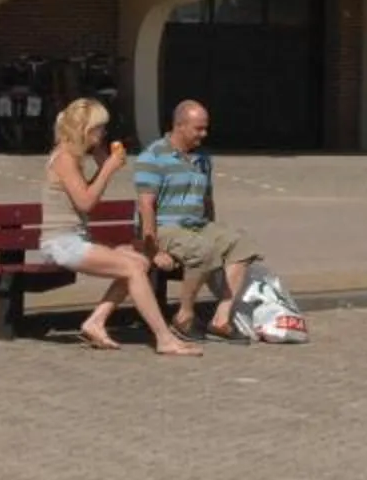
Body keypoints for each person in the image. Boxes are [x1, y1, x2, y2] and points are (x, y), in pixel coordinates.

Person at [43, 97, 197, 357]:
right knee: (132, 269)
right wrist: (108, 169)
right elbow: (86, 202)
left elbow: (83, 196)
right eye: (100, 128)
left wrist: (103, 163)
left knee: (138, 260)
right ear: (86, 130)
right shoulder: (64, 158)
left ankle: (95, 322)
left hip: (75, 240)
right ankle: (164, 338)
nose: (103, 133)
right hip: (62, 243)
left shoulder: (73, 157)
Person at [135, 100, 262, 341]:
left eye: (206, 128)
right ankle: (184, 316)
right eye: (198, 129)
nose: (204, 134)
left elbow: (207, 199)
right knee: (202, 250)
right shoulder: (152, 157)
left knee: (242, 243)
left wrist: (213, 228)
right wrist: (153, 249)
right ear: (179, 126)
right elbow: (146, 206)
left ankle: (221, 319)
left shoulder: (203, 158)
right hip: (165, 228)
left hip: (196, 226)